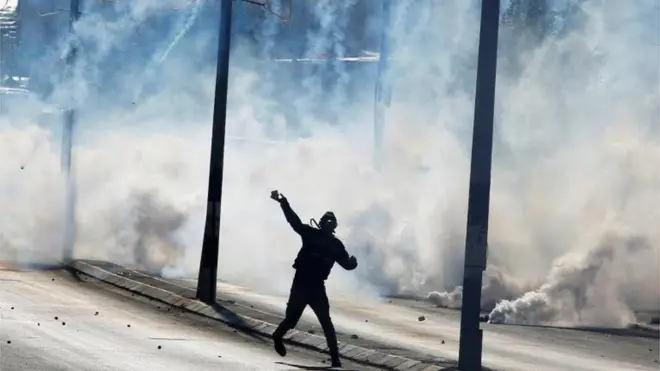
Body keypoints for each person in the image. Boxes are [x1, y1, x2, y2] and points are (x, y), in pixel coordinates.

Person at [270, 190, 358, 368]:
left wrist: (353, 263)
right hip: (301, 283)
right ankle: (278, 336)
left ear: (334, 226)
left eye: (331, 222)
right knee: (291, 320)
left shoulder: (335, 245)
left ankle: (335, 358)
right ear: (321, 224)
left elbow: (346, 264)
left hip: (317, 287)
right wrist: (283, 202)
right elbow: (294, 222)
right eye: (326, 221)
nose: (328, 225)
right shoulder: (311, 234)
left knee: (326, 322)